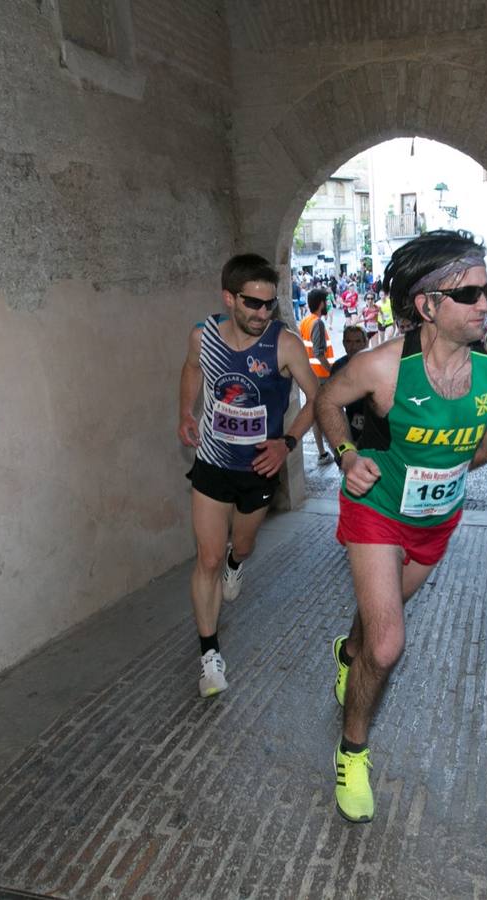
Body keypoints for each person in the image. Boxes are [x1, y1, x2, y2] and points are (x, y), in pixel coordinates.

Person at [315, 229, 487, 824]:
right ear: (427, 306)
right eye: (471, 293)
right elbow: (327, 401)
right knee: (389, 641)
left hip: (436, 522)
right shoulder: (379, 368)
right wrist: (349, 456)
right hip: (376, 510)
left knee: (374, 630)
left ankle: (346, 651)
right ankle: (352, 753)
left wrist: (446, 468)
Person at [178, 254, 320, 698]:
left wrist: (288, 444)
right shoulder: (204, 336)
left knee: (240, 546)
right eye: (253, 304)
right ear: (229, 298)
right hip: (213, 464)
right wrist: (186, 410)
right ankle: (209, 655)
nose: (262, 313)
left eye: (269, 304)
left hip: (259, 469)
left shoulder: (285, 344)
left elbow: (319, 398)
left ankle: (237, 564)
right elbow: (191, 369)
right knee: (207, 558)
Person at [300, 288, 336, 461]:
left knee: (316, 415)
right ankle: (337, 451)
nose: (327, 304)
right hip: (322, 376)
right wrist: (332, 371)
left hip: (311, 375)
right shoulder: (318, 323)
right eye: (326, 301)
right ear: (321, 303)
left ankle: (322, 453)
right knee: (330, 414)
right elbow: (318, 353)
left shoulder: (306, 321)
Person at [327, 325, 370, 444]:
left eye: (357, 341)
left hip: (377, 426)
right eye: (349, 341)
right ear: (344, 343)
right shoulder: (338, 367)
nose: (353, 346)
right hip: (351, 426)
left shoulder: (375, 363)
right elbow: (331, 404)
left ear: (365, 343)